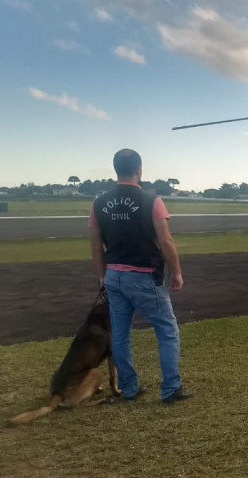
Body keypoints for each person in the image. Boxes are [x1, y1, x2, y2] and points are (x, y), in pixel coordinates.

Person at [90, 148, 193, 404]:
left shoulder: (99, 203)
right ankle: (171, 388)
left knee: (121, 334)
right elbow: (166, 241)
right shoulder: (152, 201)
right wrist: (177, 272)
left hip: (114, 276)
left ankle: (130, 388)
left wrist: (102, 275)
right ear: (139, 170)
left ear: (116, 169)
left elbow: (94, 244)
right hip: (144, 277)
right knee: (167, 330)